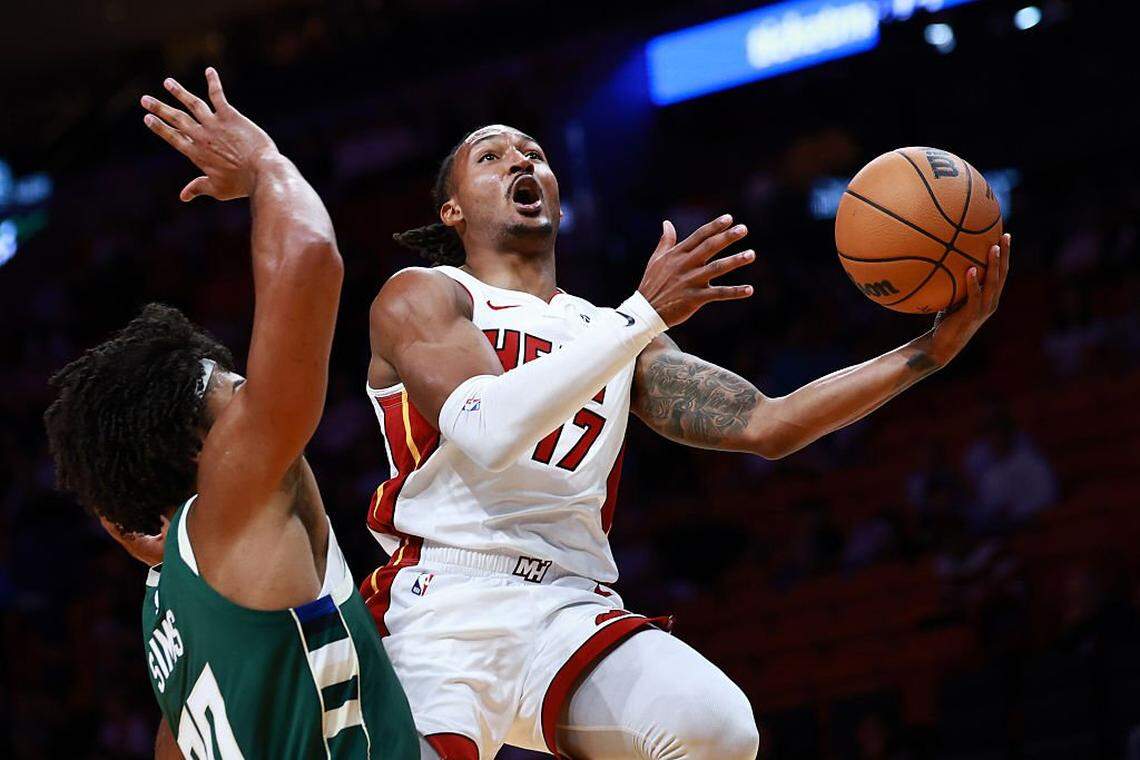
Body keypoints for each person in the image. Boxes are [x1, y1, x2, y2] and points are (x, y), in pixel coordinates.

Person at [364, 124, 1011, 759]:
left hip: (565, 605)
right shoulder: (424, 293)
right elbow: (485, 430)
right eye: (491, 156)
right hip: (442, 604)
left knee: (715, 729)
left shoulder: (606, 329)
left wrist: (927, 353)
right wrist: (642, 313)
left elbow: (768, 424)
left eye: (533, 153)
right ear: (452, 209)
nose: (519, 161)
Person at [44, 69, 424, 759]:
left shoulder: (166, 614)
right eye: (229, 384)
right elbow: (309, 254)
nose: (250, 381)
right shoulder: (235, 499)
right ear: (203, 447)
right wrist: (263, 165)